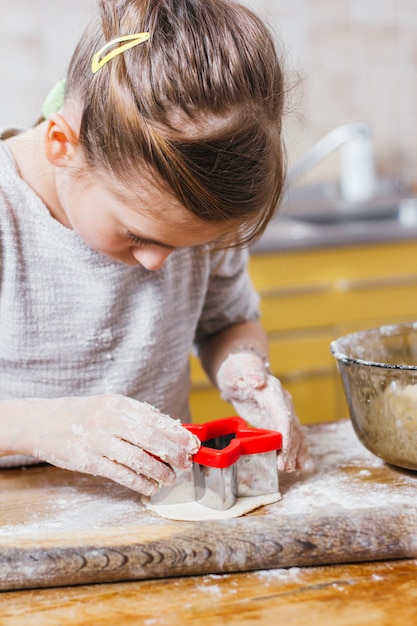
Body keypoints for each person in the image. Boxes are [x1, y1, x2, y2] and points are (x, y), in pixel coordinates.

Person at [0, 0, 307, 496]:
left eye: (188, 246)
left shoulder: (195, 208)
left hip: (157, 501)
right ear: (62, 145)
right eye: (137, 234)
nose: (157, 263)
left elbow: (225, 322)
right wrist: (39, 425)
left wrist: (242, 366)